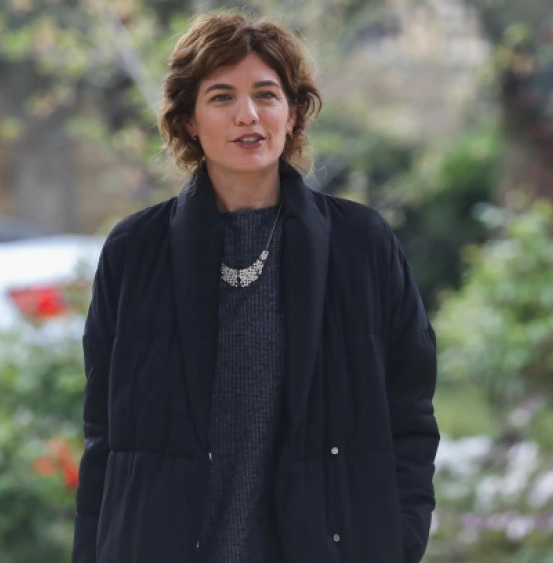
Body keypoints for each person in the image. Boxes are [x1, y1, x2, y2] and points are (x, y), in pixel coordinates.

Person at [71, 10, 439, 563]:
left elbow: (410, 412)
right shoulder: (134, 250)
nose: (248, 115)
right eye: (221, 97)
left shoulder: (360, 243)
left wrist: (400, 538)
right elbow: (103, 436)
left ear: (292, 114)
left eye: (266, 95)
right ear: (189, 120)